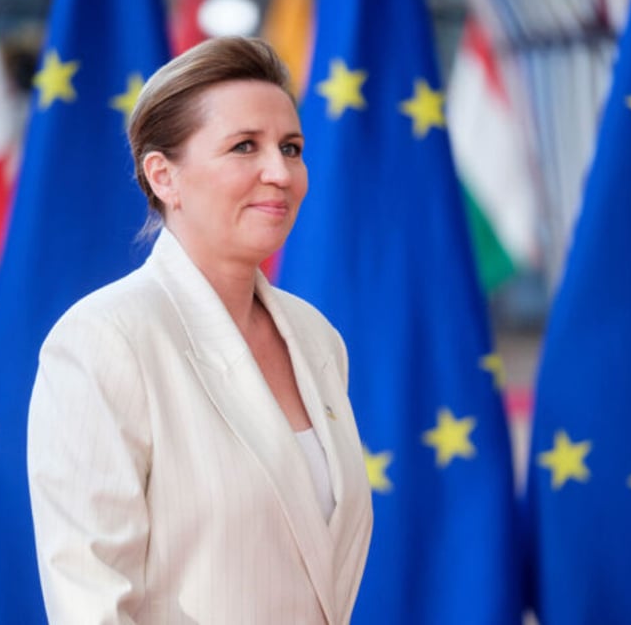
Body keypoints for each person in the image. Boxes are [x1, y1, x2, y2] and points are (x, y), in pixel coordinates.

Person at [26, 37, 373, 624]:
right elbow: (90, 599)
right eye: (244, 146)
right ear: (163, 177)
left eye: (291, 148)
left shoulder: (316, 337)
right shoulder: (103, 340)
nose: (280, 172)